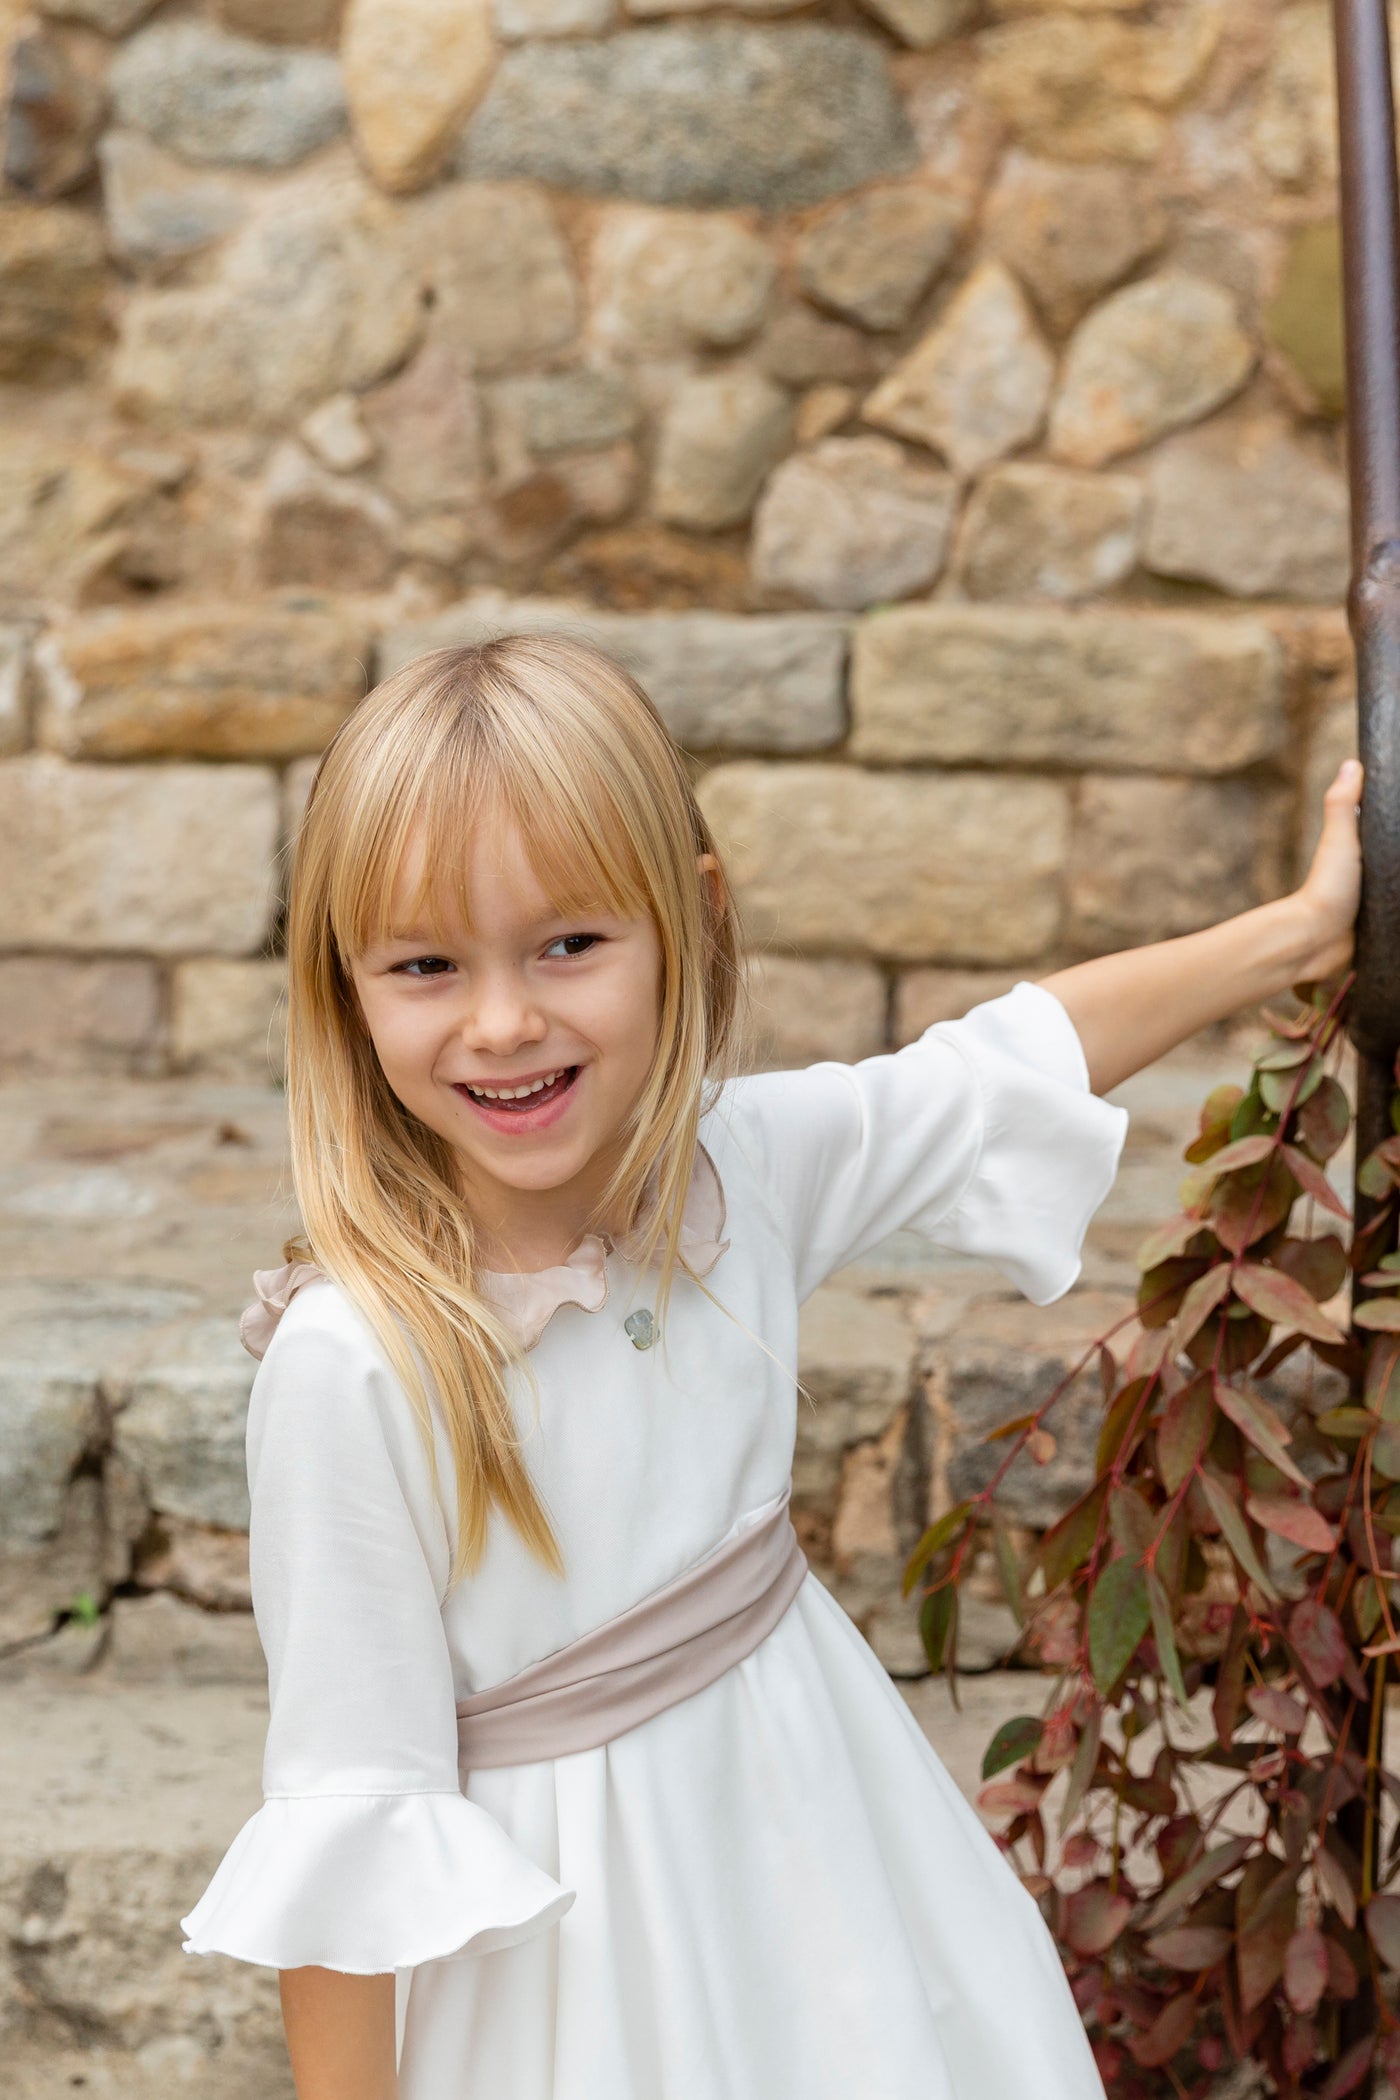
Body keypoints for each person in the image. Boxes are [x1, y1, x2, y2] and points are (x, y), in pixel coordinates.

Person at [178, 632, 1363, 2100]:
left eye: (568, 944)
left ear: (693, 919)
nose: (502, 1020)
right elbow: (354, 1822)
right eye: (427, 966)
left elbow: (1001, 1068)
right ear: (346, 991)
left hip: (822, 1867)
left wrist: (1303, 934)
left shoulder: (733, 1174)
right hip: (574, 1980)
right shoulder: (356, 1365)